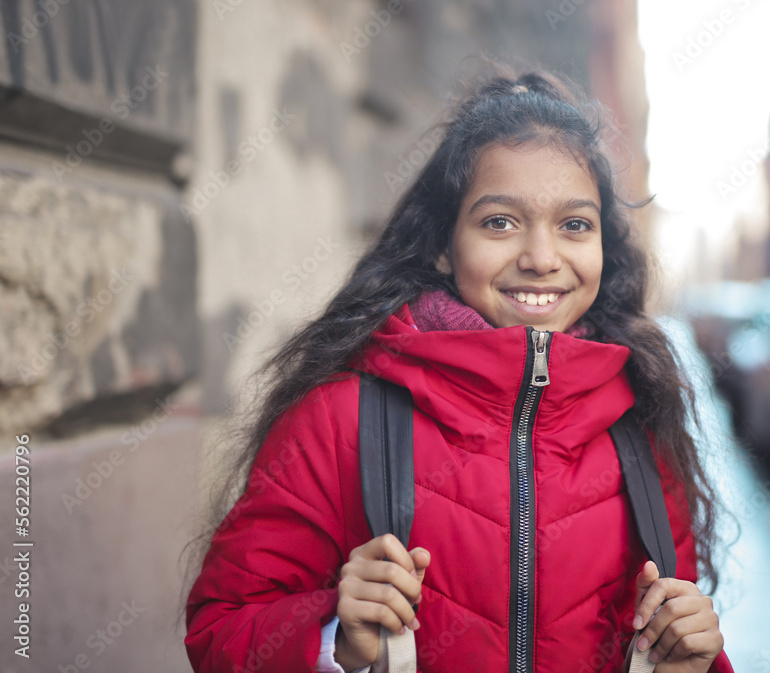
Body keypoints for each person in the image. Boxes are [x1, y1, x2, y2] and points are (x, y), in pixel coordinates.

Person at [185, 70, 734, 673]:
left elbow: (668, 639)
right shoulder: (340, 417)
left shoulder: (641, 426)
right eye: (499, 222)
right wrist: (336, 640)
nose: (541, 258)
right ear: (445, 246)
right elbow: (221, 630)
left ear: (604, 245)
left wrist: (695, 660)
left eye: (575, 224)